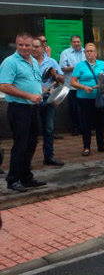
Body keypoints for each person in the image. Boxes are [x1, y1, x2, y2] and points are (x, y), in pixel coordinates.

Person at [0, 32, 46, 192]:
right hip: (19, 109)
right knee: (21, 144)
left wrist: (42, 90)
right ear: (16, 44)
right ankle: (13, 179)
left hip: (33, 109)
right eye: (21, 45)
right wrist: (29, 95)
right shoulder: (10, 62)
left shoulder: (33, 61)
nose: (25, 48)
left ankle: (26, 177)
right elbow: (4, 86)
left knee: (32, 143)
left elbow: (32, 82)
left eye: (28, 45)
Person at [70, 43, 104, 156]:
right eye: (87, 51)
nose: (89, 53)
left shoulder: (102, 64)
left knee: (100, 122)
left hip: (99, 97)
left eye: (91, 51)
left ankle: (101, 145)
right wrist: (84, 87)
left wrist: (103, 75)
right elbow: (73, 82)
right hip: (84, 98)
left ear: (96, 53)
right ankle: (86, 147)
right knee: (86, 123)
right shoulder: (80, 65)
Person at [31, 37, 65, 166]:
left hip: (48, 99)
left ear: (43, 48)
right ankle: (27, 159)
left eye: (36, 47)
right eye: (32, 47)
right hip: (32, 100)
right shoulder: (28, 62)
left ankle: (49, 157)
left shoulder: (51, 62)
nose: (34, 49)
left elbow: (61, 79)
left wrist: (55, 75)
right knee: (31, 131)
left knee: (49, 130)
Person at [59, 35, 86, 136]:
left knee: (85, 109)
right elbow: (62, 68)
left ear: (81, 42)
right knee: (74, 109)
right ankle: (75, 128)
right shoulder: (65, 53)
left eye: (78, 42)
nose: (76, 44)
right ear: (71, 43)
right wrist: (76, 68)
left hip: (84, 85)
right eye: (74, 42)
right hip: (72, 86)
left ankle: (85, 128)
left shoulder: (85, 52)